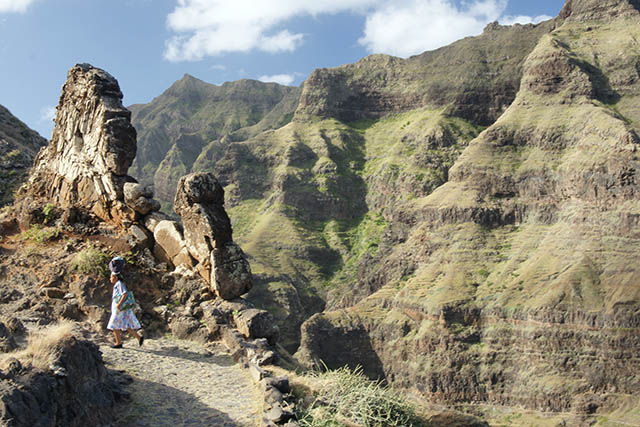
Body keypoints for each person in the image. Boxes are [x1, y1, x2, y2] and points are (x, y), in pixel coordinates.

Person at [107, 271, 144, 348]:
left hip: (119, 309)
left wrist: (119, 304)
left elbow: (125, 293)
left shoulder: (119, 284)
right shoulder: (118, 284)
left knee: (113, 324)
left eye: (111, 277)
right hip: (121, 308)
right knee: (125, 324)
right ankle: (139, 337)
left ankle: (118, 342)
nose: (110, 278)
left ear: (115, 277)